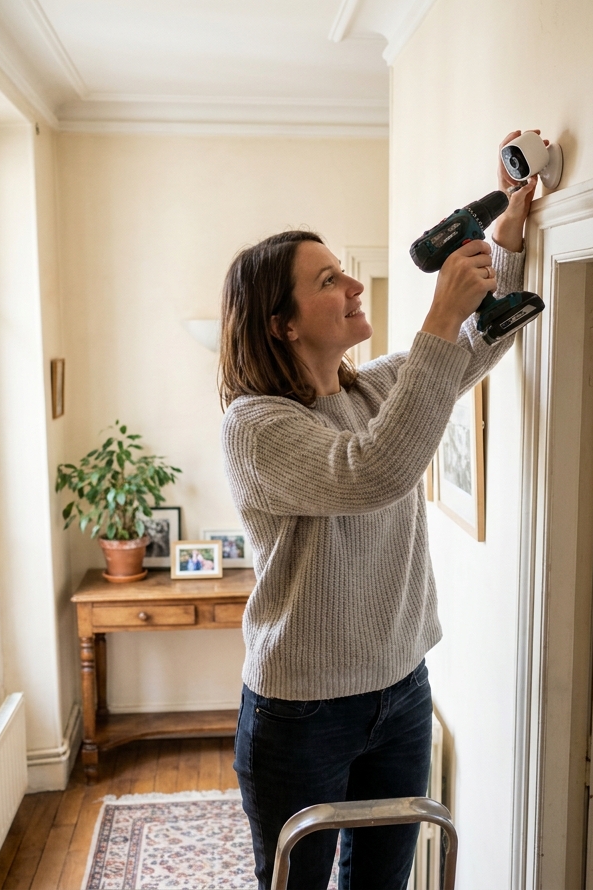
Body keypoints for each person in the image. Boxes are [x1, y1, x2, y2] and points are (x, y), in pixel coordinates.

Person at [218, 131, 545, 890]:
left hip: (402, 688)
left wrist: (509, 240)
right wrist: (437, 320)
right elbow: (374, 473)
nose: (354, 286)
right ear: (282, 323)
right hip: (300, 714)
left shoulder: (366, 391)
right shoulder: (256, 426)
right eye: (329, 280)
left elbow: (473, 346)